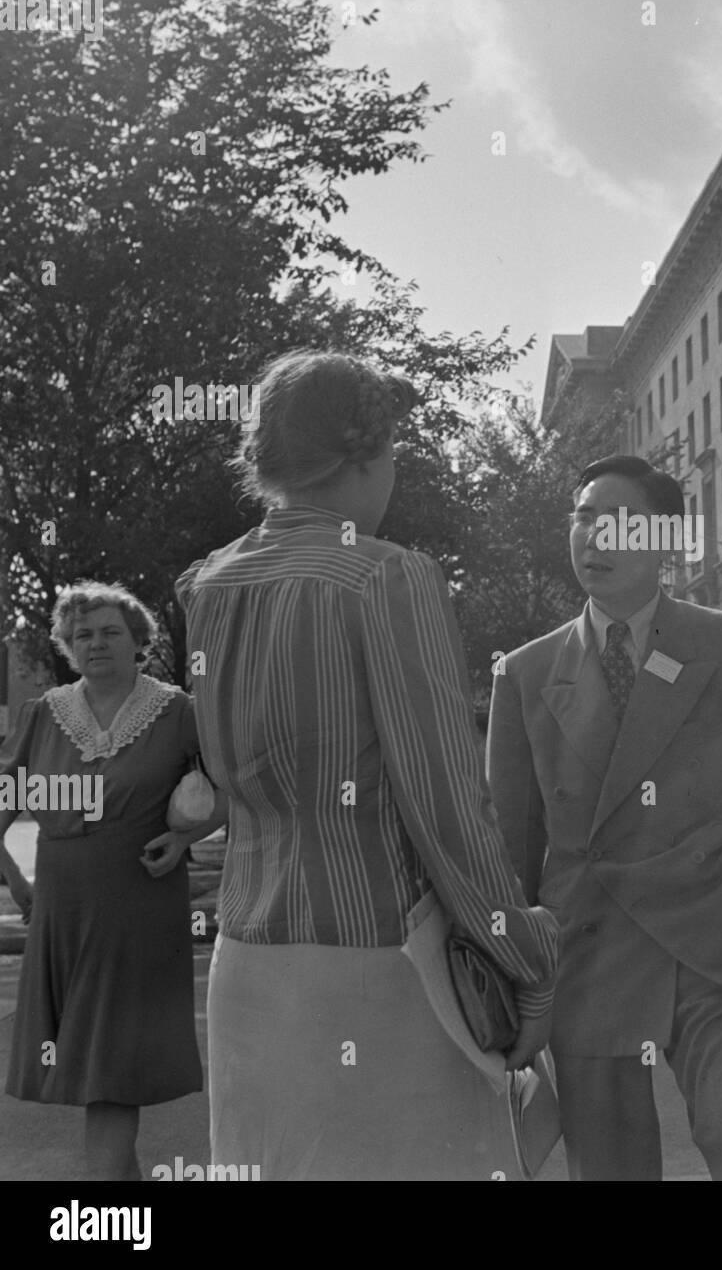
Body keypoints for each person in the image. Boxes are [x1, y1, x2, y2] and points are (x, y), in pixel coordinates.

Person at [176, 350, 557, 1181]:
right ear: (365, 456)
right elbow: (446, 804)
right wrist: (527, 957)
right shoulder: (386, 576)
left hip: (246, 961)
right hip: (380, 962)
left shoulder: (208, 587)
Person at [487, 454, 722, 1180]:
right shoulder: (524, 673)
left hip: (712, 941)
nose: (593, 538)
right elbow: (511, 846)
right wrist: (518, 963)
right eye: (582, 517)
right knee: (609, 1170)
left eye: (617, 521)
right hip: (589, 952)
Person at [1, 582, 227, 1180]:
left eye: (109, 632)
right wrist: (20, 885)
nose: (95, 643)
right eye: (82, 635)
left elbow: (235, 792)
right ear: (69, 647)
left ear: (139, 642)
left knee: (112, 1075)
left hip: (140, 906)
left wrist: (182, 838)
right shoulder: (41, 714)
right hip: (61, 911)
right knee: (98, 1075)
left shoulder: (181, 712)